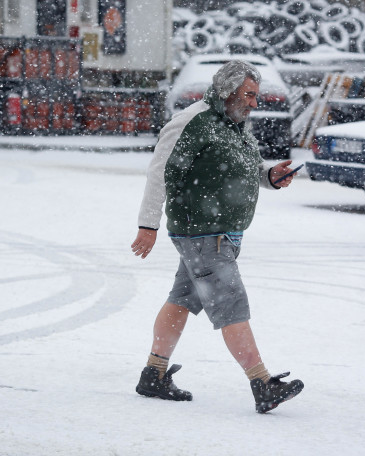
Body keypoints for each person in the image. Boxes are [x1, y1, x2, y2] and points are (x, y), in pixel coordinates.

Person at [130, 59, 304, 413]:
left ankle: (154, 373)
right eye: (250, 95)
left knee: (181, 300)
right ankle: (262, 383)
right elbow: (159, 172)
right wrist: (148, 225)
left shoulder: (235, 125)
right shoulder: (193, 121)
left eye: (257, 95)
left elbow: (245, 169)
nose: (256, 103)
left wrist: (269, 176)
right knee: (231, 305)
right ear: (228, 91)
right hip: (202, 234)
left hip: (221, 234)